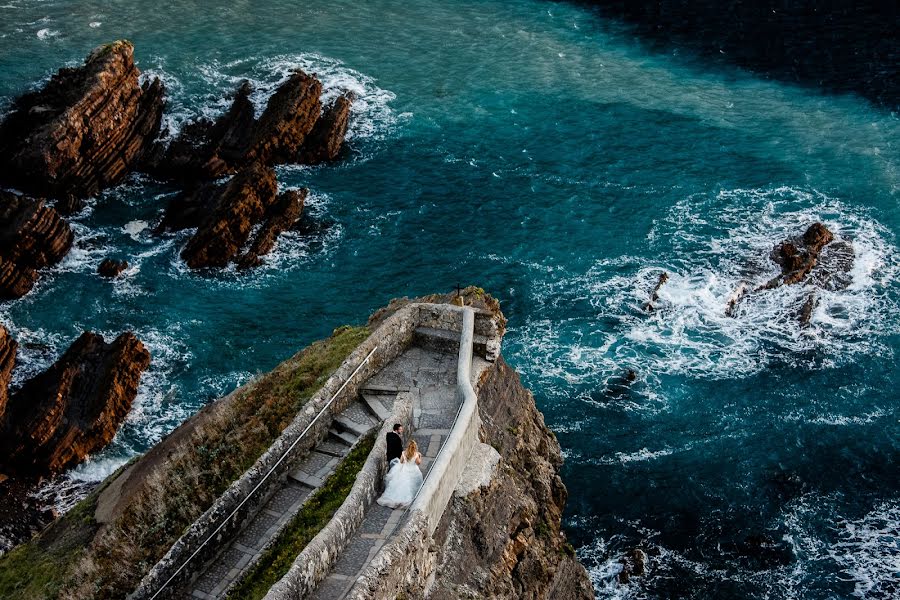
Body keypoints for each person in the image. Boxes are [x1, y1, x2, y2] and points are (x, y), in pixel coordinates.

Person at [377, 440, 423, 508]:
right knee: (412, 484)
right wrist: (420, 456)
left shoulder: (404, 453)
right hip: (413, 471)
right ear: (415, 447)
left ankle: (395, 498)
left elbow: (401, 462)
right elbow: (418, 463)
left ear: (408, 446)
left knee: (401, 484)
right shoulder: (416, 454)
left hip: (405, 470)